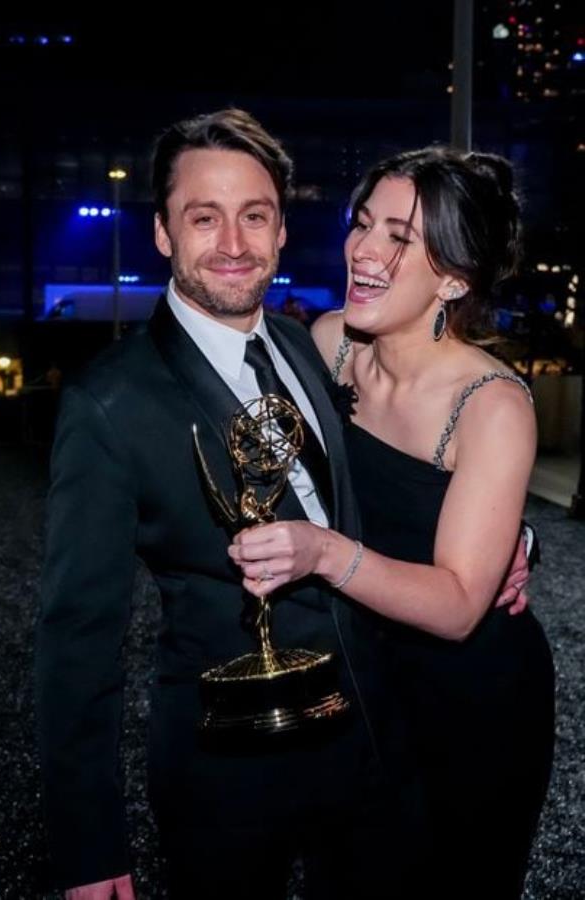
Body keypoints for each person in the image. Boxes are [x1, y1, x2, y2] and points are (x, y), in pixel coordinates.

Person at [230, 147, 555, 899]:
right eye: (364, 223)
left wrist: (322, 553)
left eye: (399, 237)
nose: (364, 251)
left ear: (453, 278)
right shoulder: (330, 342)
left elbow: (456, 605)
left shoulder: (491, 405)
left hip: (470, 707)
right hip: (360, 678)